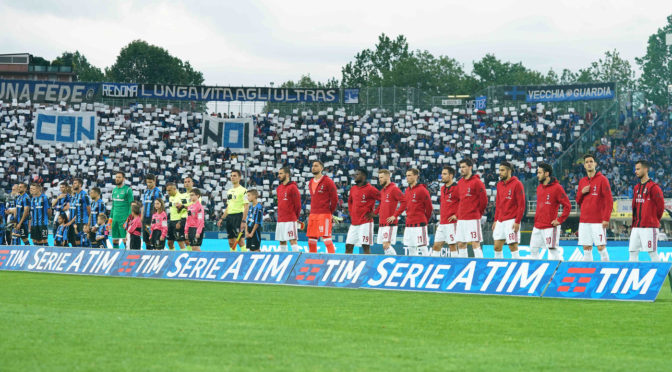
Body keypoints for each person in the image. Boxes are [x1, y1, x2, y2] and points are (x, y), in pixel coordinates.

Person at [576, 154, 613, 261]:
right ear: (584, 165)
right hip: (584, 221)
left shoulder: (602, 179)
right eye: (587, 162)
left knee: (601, 247)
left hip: (598, 221)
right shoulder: (582, 181)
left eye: (591, 161)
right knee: (586, 249)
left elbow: (609, 200)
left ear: (595, 164)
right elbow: (578, 200)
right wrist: (582, 192)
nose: (589, 164)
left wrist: (606, 218)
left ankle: (607, 271)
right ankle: (588, 273)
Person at [530, 163, 571, 260]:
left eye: (540, 172)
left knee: (552, 250)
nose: (537, 175)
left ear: (547, 173)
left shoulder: (557, 188)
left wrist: (559, 220)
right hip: (537, 226)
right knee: (533, 250)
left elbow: (567, 206)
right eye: (537, 172)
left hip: (550, 226)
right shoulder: (539, 187)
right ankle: (537, 271)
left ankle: (558, 272)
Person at [629, 160, 664, 262]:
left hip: (649, 226)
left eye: (638, 169)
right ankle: (634, 275)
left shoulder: (654, 187)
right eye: (635, 169)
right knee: (632, 252)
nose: (636, 171)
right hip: (636, 227)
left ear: (646, 169)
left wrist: (653, 220)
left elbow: (660, 207)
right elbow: (634, 207)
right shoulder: (636, 188)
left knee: (652, 253)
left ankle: (660, 276)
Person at [393, 168, 433, 256]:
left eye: (409, 175)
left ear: (416, 176)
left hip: (420, 224)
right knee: (410, 247)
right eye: (406, 176)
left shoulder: (422, 190)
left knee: (422, 247)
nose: (407, 178)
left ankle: (427, 266)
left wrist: (424, 220)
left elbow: (429, 208)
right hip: (409, 223)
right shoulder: (407, 190)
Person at [492, 161, 525, 259]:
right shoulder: (499, 184)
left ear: (509, 171)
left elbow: (521, 205)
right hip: (500, 220)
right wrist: (495, 220)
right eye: (499, 170)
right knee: (497, 247)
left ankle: (517, 268)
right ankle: (498, 268)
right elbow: (498, 204)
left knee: (513, 247)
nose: (500, 172)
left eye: (502, 170)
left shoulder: (517, 184)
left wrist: (517, 221)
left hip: (511, 220)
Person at [455, 159, 488, 258]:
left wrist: (478, 213)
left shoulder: (477, 182)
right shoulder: (460, 182)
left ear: (470, 167)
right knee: (461, 243)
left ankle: (480, 266)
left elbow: (484, 200)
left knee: (475, 243)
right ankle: (462, 265)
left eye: (464, 167)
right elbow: (459, 200)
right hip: (461, 218)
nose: (462, 169)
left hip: (473, 218)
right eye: (460, 167)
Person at [306, 161, 339, 253]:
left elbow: (335, 199)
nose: (313, 167)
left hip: (324, 214)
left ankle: (333, 260)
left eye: (316, 166)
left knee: (326, 239)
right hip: (313, 214)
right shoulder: (310, 182)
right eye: (312, 165)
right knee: (311, 240)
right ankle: (312, 260)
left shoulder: (328, 181)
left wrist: (330, 212)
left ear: (321, 168)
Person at [346, 168, 380, 254]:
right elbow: (350, 201)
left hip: (366, 222)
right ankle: (349, 266)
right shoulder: (353, 188)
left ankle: (367, 267)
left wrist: (375, 213)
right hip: (354, 223)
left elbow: (382, 200)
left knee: (365, 247)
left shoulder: (371, 189)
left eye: (357, 174)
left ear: (363, 176)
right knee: (348, 246)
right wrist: (351, 213)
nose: (355, 176)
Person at [374, 169, 406, 255]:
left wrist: (395, 215)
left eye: (381, 177)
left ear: (388, 177)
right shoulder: (383, 190)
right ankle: (391, 262)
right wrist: (374, 213)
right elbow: (381, 204)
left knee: (386, 245)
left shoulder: (394, 189)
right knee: (385, 246)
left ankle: (395, 262)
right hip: (382, 222)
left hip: (390, 223)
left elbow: (404, 202)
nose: (379, 179)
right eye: (379, 177)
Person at [217, 170, 249, 252]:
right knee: (231, 241)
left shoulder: (244, 190)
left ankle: (245, 258)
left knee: (240, 240)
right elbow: (228, 206)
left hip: (238, 216)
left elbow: (246, 206)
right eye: (231, 176)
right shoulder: (229, 191)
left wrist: (244, 220)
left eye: (234, 175)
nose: (232, 177)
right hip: (229, 217)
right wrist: (222, 218)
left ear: (239, 178)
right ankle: (232, 258)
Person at [432, 166, 459, 257]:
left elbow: (464, 203)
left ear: (451, 175)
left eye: (444, 174)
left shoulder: (457, 188)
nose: (442, 176)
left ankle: (455, 267)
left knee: (452, 246)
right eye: (441, 174)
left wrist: (457, 215)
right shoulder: (442, 188)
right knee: (436, 246)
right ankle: (433, 266)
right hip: (442, 222)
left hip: (452, 223)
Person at [275, 167, 301, 252]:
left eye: (281, 173)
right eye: (278, 174)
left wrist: (296, 217)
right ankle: (283, 260)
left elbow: (298, 205)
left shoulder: (293, 187)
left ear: (287, 174)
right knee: (282, 241)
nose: (279, 175)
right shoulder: (279, 188)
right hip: (280, 219)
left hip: (290, 219)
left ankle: (296, 262)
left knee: (292, 240)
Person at [110, 171, 134, 249]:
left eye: (119, 177)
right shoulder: (114, 190)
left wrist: (129, 219)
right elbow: (113, 205)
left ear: (123, 179)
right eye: (116, 177)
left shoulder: (128, 190)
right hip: (115, 219)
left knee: (125, 240)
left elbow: (132, 205)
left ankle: (127, 257)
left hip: (124, 219)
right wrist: (110, 218)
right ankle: (115, 256)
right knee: (114, 240)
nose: (117, 179)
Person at [65, 178, 90, 247]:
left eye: (75, 183)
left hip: (82, 222)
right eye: (73, 183)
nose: (73, 185)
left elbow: (89, 210)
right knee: (75, 241)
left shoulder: (84, 195)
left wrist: (88, 222)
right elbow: (74, 211)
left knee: (82, 242)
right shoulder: (75, 196)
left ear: (80, 185)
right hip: (75, 222)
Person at [141, 174, 162, 250]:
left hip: (153, 218)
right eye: (147, 182)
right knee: (146, 238)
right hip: (145, 218)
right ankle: (148, 252)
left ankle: (156, 252)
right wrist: (141, 217)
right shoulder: (146, 192)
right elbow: (143, 205)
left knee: (153, 236)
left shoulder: (157, 192)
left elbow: (160, 205)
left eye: (150, 182)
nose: (149, 184)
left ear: (154, 181)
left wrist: (158, 217)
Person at [165, 182, 188, 251]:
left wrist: (181, 221)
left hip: (178, 221)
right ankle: (172, 256)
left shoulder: (182, 197)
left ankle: (185, 256)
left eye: (169, 190)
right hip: (171, 221)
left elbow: (187, 208)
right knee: (169, 242)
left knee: (180, 241)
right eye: (167, 190)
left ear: (175, 189)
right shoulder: (170, 197)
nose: (168, 192)